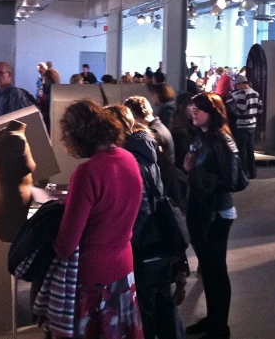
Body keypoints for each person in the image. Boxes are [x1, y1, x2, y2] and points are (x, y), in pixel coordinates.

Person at [54, 100, 144, 339]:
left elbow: (66, 245)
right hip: (123, 268)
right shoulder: (128, 158)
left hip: (93, 278)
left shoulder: (87, 172)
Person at [104, 104, 184, 339]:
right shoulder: (146, 149)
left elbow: (142, 208)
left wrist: (126, 240)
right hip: (160, 240)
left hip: (146, 245)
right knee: (165, 308)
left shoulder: (131, 158)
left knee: (145, 313)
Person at [183, 93, 238, 339]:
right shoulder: (202, 137)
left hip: (216, 212)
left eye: (200, 109)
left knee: (216, 270)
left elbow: (233, 180)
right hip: (202, 210)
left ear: (213, 112)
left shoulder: (221, 139)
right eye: (193, 108)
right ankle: (213, 319)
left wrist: (201, 178)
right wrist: (189, 169)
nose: (194, 112)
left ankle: (220, 328)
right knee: (209, 267)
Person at [124, 96, 184, 210]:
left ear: (136, 117)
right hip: (168, 187)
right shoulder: (159, 127)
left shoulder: (152, 135)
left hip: (165, 192)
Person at [227, 75, 262, 180]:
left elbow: (241, 109)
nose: (237, 87)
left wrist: (232, 104)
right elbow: (260, 109)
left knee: (242, 150)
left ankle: (244, 172)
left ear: (242, 83)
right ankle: (253, 172)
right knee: (250, 149)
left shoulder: (242, 94)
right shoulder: (256, 93)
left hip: (242, 124)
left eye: (237, 85)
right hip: (253, 124)